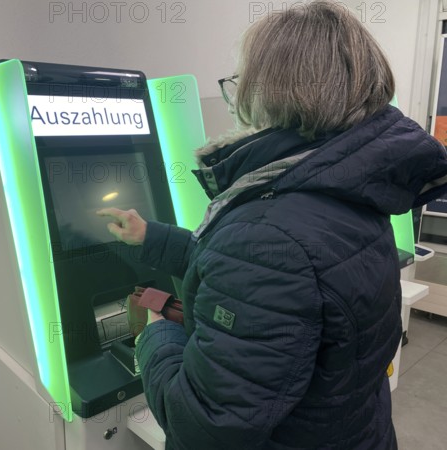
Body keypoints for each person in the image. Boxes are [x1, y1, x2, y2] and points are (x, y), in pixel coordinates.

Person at [98, 2, 447, 449]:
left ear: (275, 93)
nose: (236, 96)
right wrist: (152, 238)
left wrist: (153, 335)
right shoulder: (348, 188)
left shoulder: (269, 229)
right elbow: (266, 272)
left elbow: (204, 424)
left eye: (241, 81)